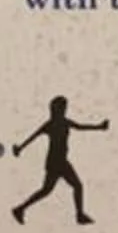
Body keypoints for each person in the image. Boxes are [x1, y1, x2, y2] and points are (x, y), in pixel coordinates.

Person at [9, 95, 108, 226]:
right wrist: (20, 148)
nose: (63, 110)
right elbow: (33, 137)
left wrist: (99, 127)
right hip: (56, 162)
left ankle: (20, 209)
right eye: (62, 108)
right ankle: (20, 209)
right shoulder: (51, 124)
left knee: (51, 189)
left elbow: (81, 127)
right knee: (64, 187)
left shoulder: (63, 122)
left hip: (60, 161)